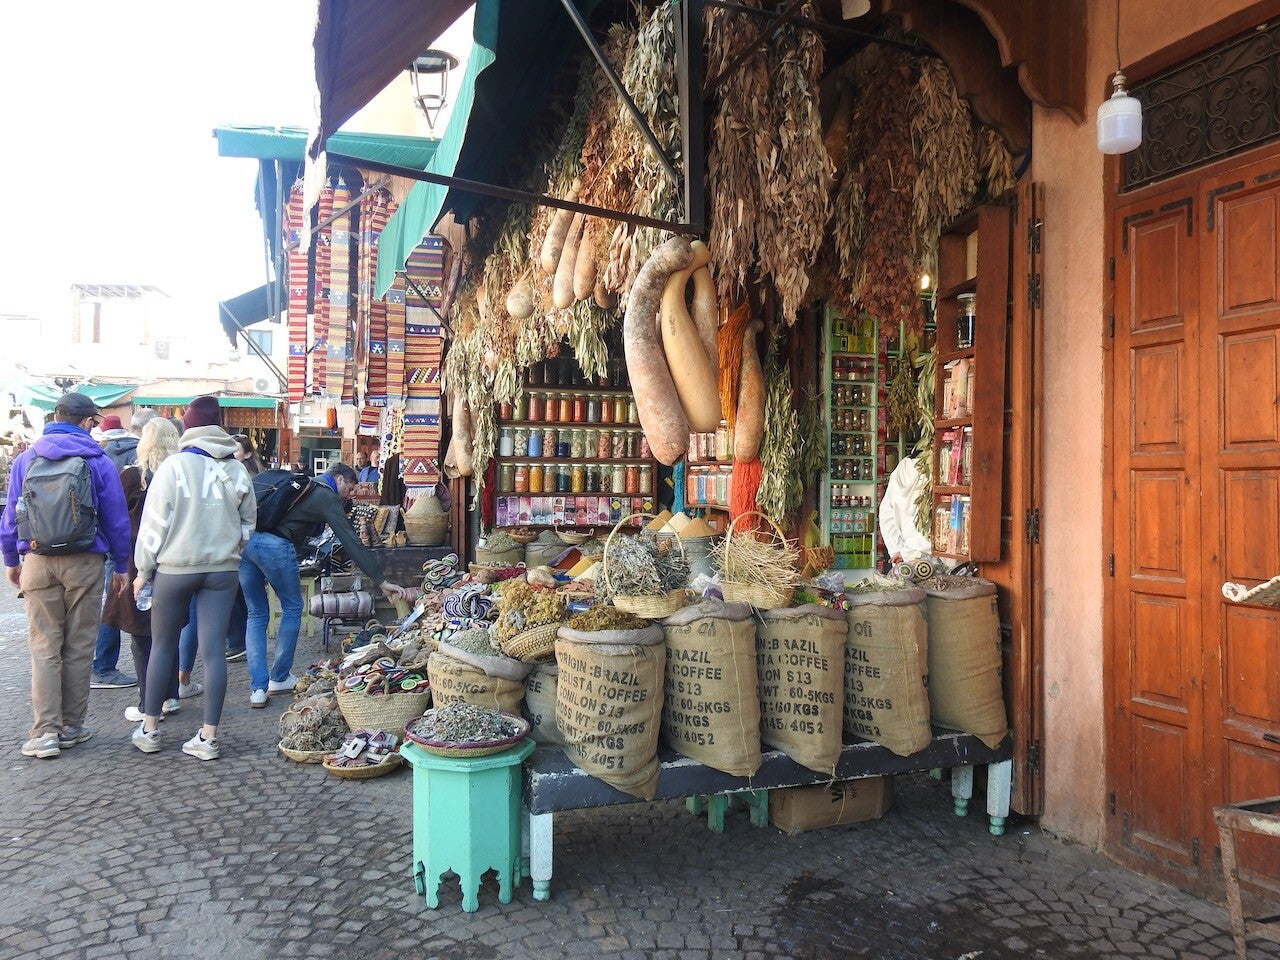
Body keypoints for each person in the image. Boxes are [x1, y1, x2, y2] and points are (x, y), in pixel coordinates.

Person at [1, 392, 132, 759]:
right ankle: (72, 727)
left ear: (55, 417)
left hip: (38, 558)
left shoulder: (27, 458)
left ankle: (45, 732)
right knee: (79, 646)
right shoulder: (98, 460)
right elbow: (116, 517)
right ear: (87, 421)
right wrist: (121, 565)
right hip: (85, 562)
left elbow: (11, 514)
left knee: (44, 646)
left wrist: (11, 559)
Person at [132, 396, 255, 760]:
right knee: (214, 651)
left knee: (162, 645)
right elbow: (249, 522)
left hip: (175, 568)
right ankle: (208, 737)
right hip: (222, 570)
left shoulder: (173, 466)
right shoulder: (237, 469)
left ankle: (150, 728)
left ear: (187, 428)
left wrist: (143, 570)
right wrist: (232, 547)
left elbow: (155, 523)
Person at [239, 461, 405, 707]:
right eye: (350, 488)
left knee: (256, 614)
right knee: (293, 607)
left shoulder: (302, 484)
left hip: (247, 542)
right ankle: (279, 678)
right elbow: (350, 540)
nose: (350, 495)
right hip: (275, 546)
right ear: (339, 479)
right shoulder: (325, 495)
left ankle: (258, 690)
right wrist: (380, 580)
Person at [100, 417, 184, 722]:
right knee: (169, 629)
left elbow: (116, 521)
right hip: (176, 561)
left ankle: (149, 703)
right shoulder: (181, 475)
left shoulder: (134, 477)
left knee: (142, 634)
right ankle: (170, 695)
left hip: (139, 561)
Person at [878, 455, 934, 564]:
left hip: (904, 553)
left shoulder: (900, 472)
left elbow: (886, 516)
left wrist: (897, 550)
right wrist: (904, 553)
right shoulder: (934, 471)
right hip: (931, 554)